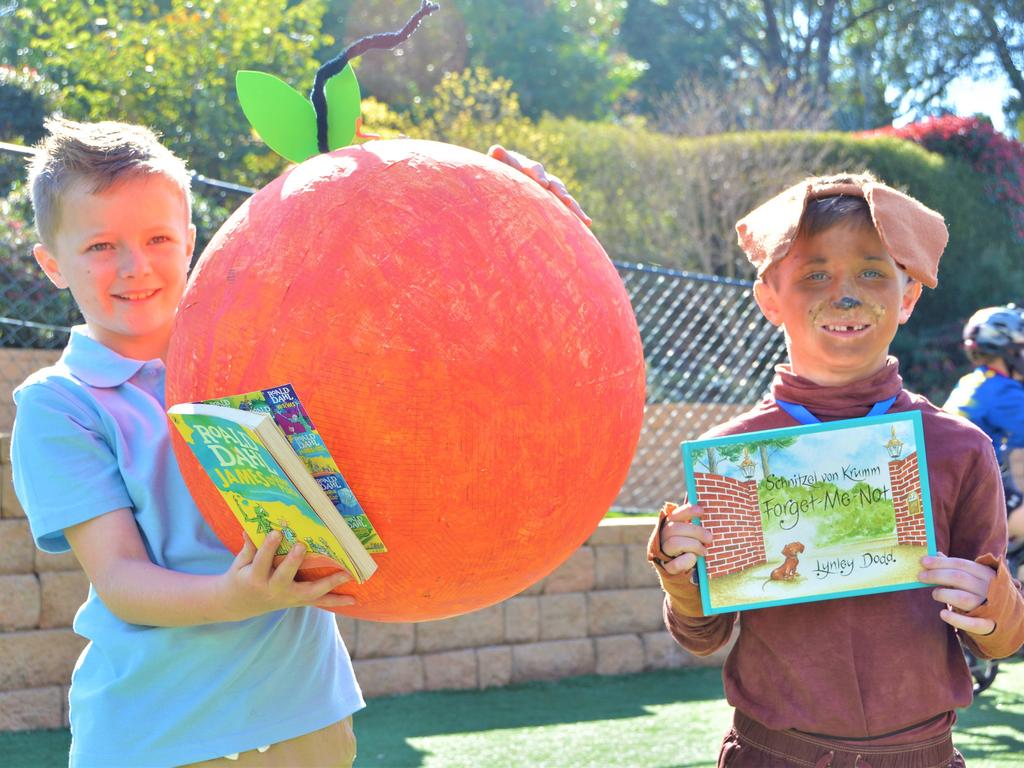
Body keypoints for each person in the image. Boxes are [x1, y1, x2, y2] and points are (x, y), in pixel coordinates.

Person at [11, 118, 586, 768]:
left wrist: (520, 220)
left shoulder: (270, 346)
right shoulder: (59, 404)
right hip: (157, 731)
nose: (134, 265)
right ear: (52, 263)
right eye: (99, 246)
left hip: (306, 719)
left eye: (158, 238)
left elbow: (401, 293)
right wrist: (236, 598)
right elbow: (119, 579)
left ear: (194, 241)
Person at [648, 173, 1024, 767]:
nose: (845, 294)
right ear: (770, 298)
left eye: (873, 271)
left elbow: (1003, 639)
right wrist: (681, 570)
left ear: (908, 295)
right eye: (814, 273)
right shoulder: (735, 456)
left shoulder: (958, 448)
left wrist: (991, 602)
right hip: (773, 755)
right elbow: (704, 636)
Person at [943, 305, 1024, 541]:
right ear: (1009, 353)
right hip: (974, 498)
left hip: (955, 493)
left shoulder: (972, 382)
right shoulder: (1002, 392)